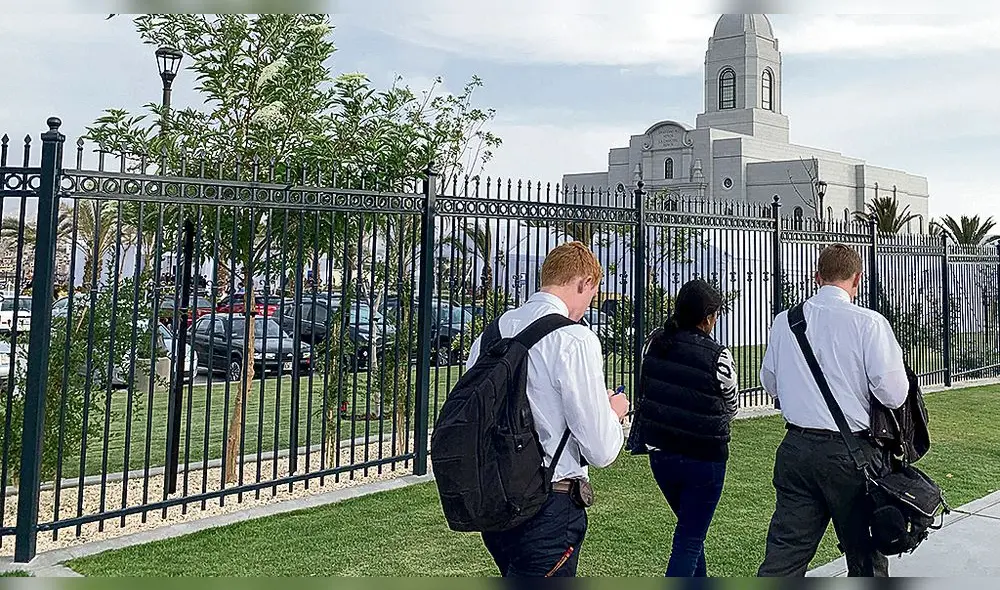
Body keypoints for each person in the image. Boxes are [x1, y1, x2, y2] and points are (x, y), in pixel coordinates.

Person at [465, 241, 629, 577]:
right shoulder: (574, 339)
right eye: (590, 295)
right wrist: (614, 413)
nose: (587, 306)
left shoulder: (491, 334)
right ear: (584, 283)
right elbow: (600, 449)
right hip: (548, 503)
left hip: (495, 500)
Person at [757, 244, 908, 577]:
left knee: (785, 555)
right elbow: (894, 394)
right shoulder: (869, 323)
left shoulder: (786, 321)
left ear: (817, 277)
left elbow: (769, 382)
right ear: (857, 279)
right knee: (865, 556)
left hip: (797, 448)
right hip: (851, 453)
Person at [627, 279, 739, 577]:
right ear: (707, 318)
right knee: (689, 539)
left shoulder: (654, 343)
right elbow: (731, 404)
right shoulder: (719, 356)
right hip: (704, 457)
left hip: (661, 453)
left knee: (691, 531)